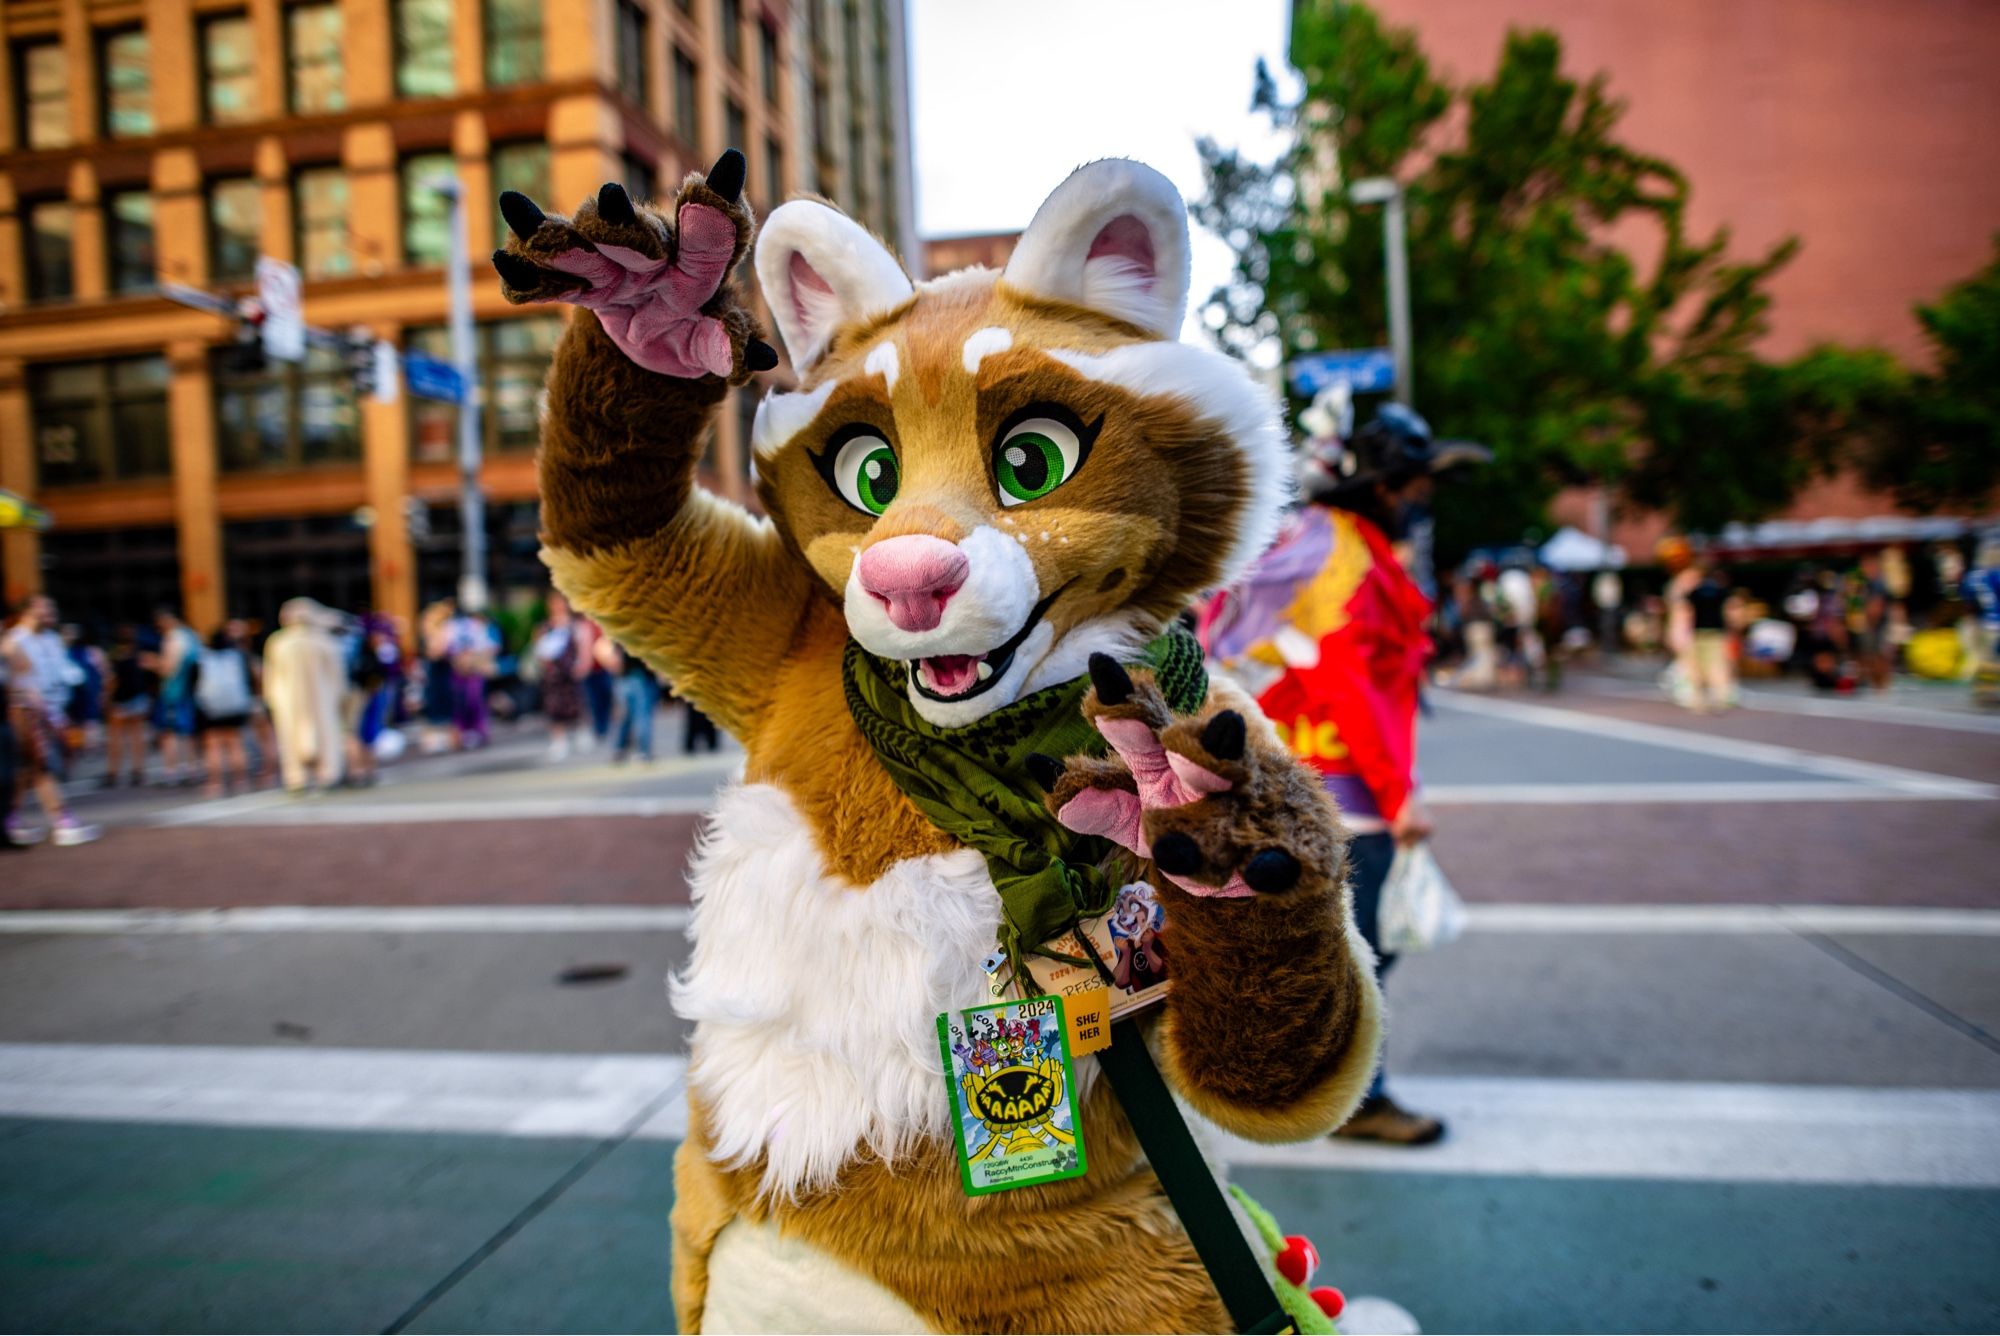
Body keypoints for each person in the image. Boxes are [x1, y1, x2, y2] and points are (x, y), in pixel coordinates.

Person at [1202, 403, 1458, 1145]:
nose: (1421, 499)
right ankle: (1355, 1095)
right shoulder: (1347, 555)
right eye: (1412, 484)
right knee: (1362, 951)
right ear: (1382, 486)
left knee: (1332, 947)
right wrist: (1399, 793)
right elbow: (1353, 682)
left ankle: (1301, 1080)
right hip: (1346, 790)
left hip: (1301, 773)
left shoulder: (1319, 541)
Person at [2, 596, 100, 846]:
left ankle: (10, 819)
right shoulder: (13, 642)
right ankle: (62, 821)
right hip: (27, 713)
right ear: (27, 611)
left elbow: (64, 674)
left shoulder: (52, 640)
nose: (50, 613)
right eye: (45, 609)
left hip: (50, 712)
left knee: (26, 770)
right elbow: (15, 684)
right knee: (42, 766)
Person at [262, 598, 348, 793]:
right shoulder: (283, 642)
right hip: (307, 697)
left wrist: (273, 697)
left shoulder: (283, 642)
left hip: (308, 697)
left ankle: (310, 775)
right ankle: (315, 774)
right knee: (314, 733)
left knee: (314, 734)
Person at [192, 624, 255, 797]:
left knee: (213, 746)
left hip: (211, 707)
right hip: (235, 705)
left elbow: (195, 684)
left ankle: (215, 782)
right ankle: (241, 780)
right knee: (235, 743)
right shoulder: (237, 656)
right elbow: (248, 679)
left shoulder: (203, 658)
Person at [150, 607, 203, 786]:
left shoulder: (174, 638)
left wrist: (152, 663)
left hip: (173, 692)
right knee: (188, 733)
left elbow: (168, 668)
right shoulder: (192, 636)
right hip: (190, 691)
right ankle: (192, 769)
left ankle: (171, 772)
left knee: (169, 733)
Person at [532, 593, 586, 760]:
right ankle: (559, 740)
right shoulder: (544, 627)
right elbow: (538, 650)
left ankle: (580, 732)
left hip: (570, 672)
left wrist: (583, 665)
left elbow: (583, 646)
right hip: (552, 675)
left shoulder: (574, 625)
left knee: (576, 703)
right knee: (553, 707)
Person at [1681, 555, 1736, 712]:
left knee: (1697, 665)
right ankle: (1721, 697)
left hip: (1698, 631)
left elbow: (1686, 609)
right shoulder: (1721, 591)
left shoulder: (1695, 591)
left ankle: (1699, 700)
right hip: (1717, 631)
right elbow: (1728, 611)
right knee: (1717, 664)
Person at [103, 625, 155, 787]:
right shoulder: (138, 654)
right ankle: (137, 771)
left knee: (116, 738)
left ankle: (113, 772)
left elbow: (111, 680)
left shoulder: (115, 656)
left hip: (120, 700)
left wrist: (107, 698)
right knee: (136, 737)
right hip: (137, 699)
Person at [611, 639, 661, 762]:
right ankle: (644, 750)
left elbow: (615, 655)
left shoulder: (621, 630)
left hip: (627, 677)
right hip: (639, 677)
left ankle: (621, 748)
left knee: (628, 717)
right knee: (642, 715)